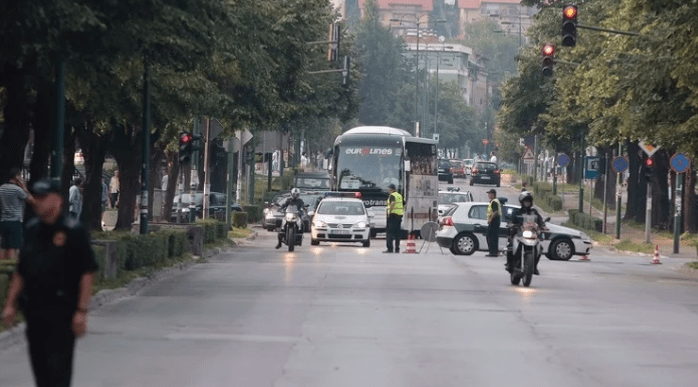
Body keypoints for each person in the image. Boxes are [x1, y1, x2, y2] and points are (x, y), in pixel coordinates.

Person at [1, 178, 98, 387]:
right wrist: (10, 303)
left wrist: (82, 310)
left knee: (59, 372)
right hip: (35, 311)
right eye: (36, 197)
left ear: (57, 201)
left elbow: (87, 272)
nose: (38, 202)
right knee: (41, 371)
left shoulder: (73, 231)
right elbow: (21, 271)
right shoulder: (33, 229)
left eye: (43, 198)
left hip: (63, 312)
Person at [506, 191, 547, 275]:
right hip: (519, 234)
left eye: (528, 201)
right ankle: (510, 264)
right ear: (522, 202)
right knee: (510, 247)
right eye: (525, 201)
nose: (527, 203)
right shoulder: (517, 212)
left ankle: (534, 266)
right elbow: (511, 221)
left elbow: (540, 221)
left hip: (532, 234)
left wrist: (543, 226)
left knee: (540, 249)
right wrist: (511, 224)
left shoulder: (534, 212)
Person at [0, 168, 34, 261]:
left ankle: (2, 269)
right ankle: (11, 270)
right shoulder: (17, 190)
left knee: (3, 247)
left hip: (3, 220)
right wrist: (24, 187)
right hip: (15, 221)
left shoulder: (1, 188)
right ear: (16, 177)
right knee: (13, 247)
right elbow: (31, 200)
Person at [384, 184, 404, 253]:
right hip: (399, 216)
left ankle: (390, 249)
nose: (388, 190)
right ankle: (397, 249)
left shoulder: (392, 196)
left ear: (391, 189)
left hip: (392, 216)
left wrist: (389, 213)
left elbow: (392, 204)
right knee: (397, 234)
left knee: (390, 233)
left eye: (388, 189)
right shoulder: (399, 195)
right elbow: (404, 204)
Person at [485, 189, 501, 257]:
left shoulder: (494, 202)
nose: (488, 195)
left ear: (492, 194)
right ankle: (494, 252)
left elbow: (495, 212)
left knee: (491, 237)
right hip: (495, 221)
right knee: (493, 236)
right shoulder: (495, 201)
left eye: (489, 194)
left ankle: (493, 252)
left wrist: (491, 219)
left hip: (494, 221)